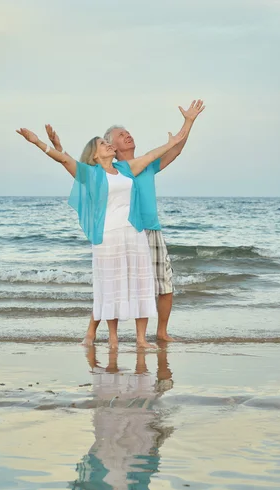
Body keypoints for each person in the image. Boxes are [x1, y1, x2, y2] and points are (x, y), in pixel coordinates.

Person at [18, 348, 201, 490]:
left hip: (104, 463)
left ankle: (118, 370)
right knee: (141, 420)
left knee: (111, 420)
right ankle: (143, 372)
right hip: (136, 463)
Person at [47, 100, 205, 344]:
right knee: (114, 285)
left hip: (149, 229)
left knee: (164, 283)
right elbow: (77, 167)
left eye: (128, 133)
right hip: (120, 232)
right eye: (121, 135)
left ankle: (161, 332)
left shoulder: (146, 164)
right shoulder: (111, 169)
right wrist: (57, 147)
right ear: (111, 144)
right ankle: (92, 331)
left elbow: (174, 150)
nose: (127, 135)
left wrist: (189, 122)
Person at [16, 125, 186, 348]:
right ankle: (112, 338)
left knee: (140, 283)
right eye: (103, 144)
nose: (108, 145)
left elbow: (152, 155)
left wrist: (173, 142)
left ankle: (141, 339)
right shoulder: (92, 173)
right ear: (95, 155)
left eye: (107, 143)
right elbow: (65, 161)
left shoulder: (126, 169)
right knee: (111, 286)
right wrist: (39, 143)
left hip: (133, 233)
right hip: (108, 236)